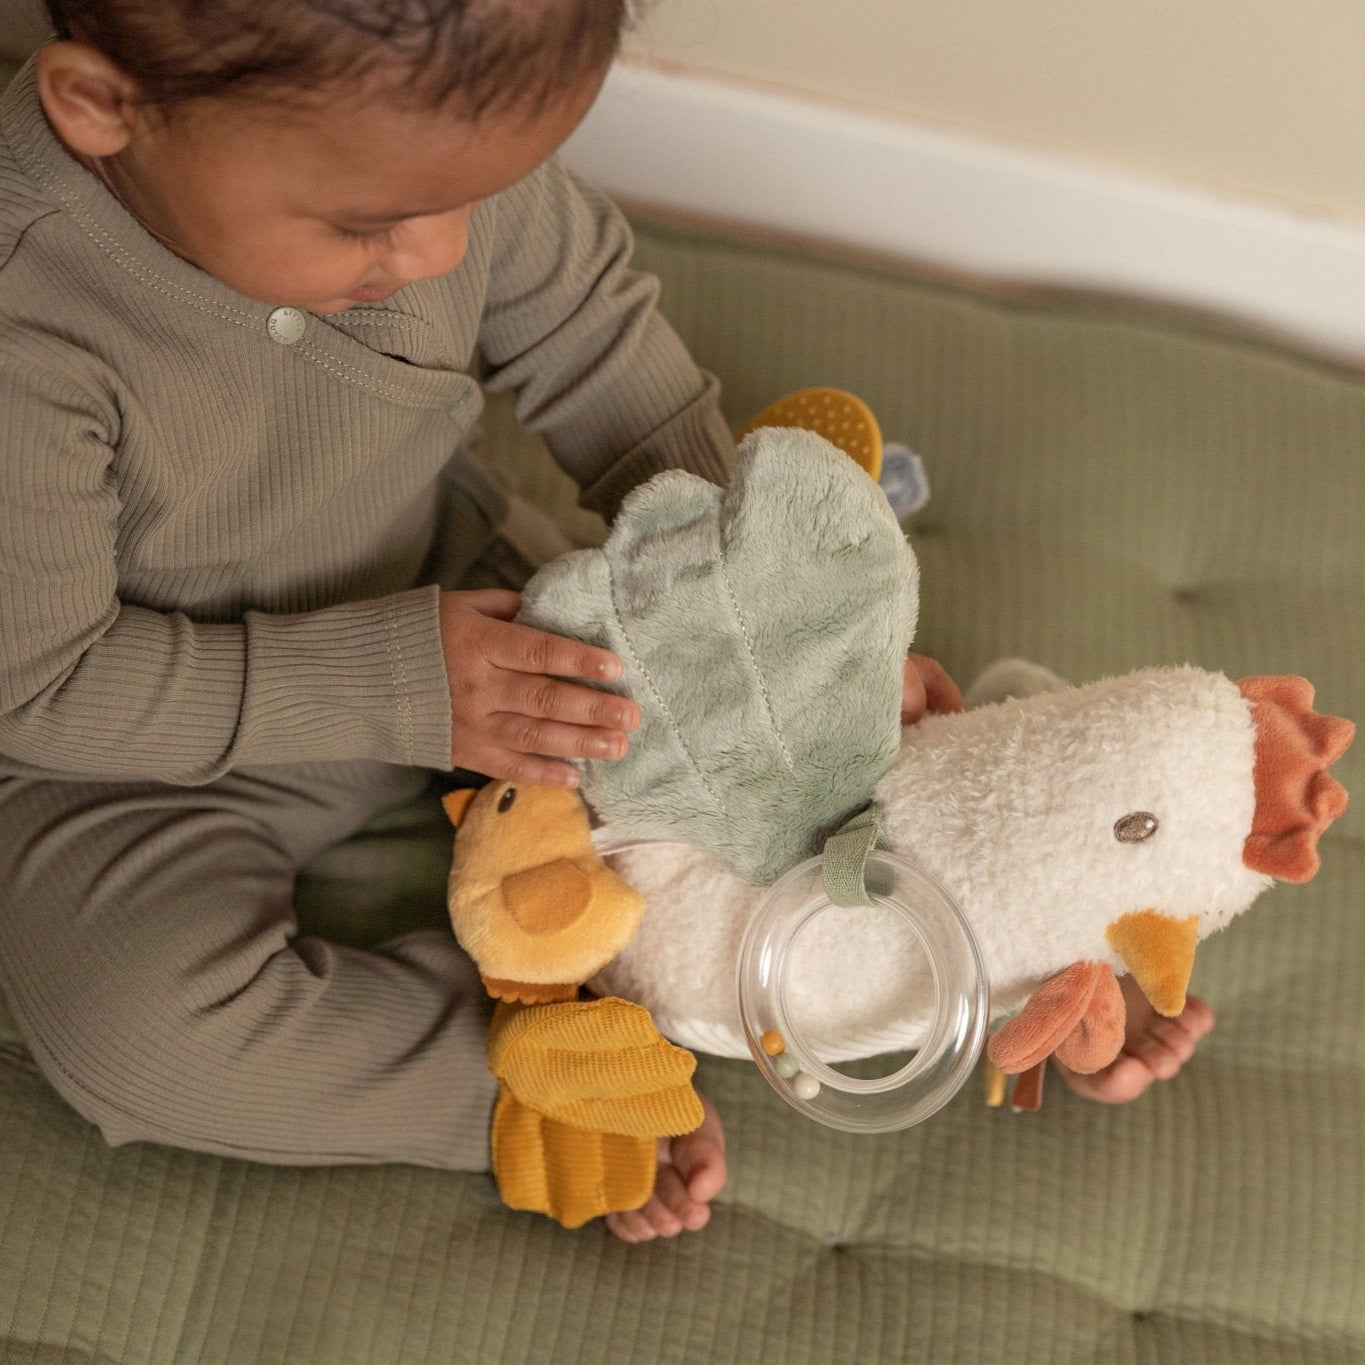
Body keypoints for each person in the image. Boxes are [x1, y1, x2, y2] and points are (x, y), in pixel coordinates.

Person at [0, 0, 1212, 1251]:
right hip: (134, 747)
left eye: (486, 192)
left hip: (456, 591)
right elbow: (40, 686)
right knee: (132, 1035)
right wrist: (404, 683)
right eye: (367, 226)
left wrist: (761, 615)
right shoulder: (26, 322)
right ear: (103, 106)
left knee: (791, 743)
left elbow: (595, 347)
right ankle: (560, 1076)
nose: (439, 252)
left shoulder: (426, 143)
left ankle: (1039, 939)